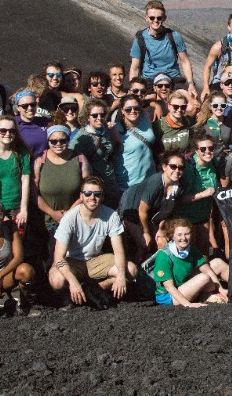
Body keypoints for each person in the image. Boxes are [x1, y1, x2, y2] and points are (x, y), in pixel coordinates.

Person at [49, 176, 136, 307]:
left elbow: (118, 250)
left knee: (131, 270)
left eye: (97, 194)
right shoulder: (70, 218)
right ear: (81, 196)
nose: (92, 197)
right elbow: (58, 257)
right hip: (72, 260)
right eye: (88, 193)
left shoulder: (111, 215)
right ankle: (71, 295)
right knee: (57, 280)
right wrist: (73, 282)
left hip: (96, 260)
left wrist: (121, 276)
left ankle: (96, 288)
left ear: (102, 197)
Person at [146, 218, 229, 307]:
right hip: (169, 297)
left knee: (217, 263)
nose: (183, 238)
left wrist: (220, 288)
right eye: (179, 235)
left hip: (185, 284)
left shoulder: (191, 248)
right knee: (204, 278)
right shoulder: (164, 255)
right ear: (172, 236)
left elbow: (207, 270)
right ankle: (204, 295)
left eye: (187, 234)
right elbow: (169, 287)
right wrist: (188, 304)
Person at [129, 0, 198, 100]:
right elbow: (134, 67)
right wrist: (133, 89)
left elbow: (185, 61)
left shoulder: (174, 36)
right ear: (146, 18)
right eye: (152, 17)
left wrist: (191, 84)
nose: (155, 20)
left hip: (173, 80)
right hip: (149, 81)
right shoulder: (140, 39)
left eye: (159, 18)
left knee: (191, 107)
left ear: (164, 18)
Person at [35, 125, 91, 237]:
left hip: (76, 217)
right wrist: (52, 213)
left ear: (68, 140)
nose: (58, 144)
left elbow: (88, 189)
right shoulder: (40, 160)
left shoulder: (80, 159)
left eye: (62, 140)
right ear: (48, 141)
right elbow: (33, 193)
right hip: (47, 222)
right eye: (53, 141)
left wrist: (69, 213)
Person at [112, 94, 156, 220]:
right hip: (129, 182)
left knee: (148, 218)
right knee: (130, 220)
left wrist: (156, 104)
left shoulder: (145, 118)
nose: (133, 111)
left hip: (149, 179)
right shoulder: (117, 129)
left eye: (136, 108)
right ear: (122, 111)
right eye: (128, 109)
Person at [177, 131, 221, 253]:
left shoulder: (214, 164)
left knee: (203, 254)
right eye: (203, 149)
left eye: (211, 148)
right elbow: (179, 199)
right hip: (186, 219)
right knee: (188, 254)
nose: (207, 151)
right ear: (196, 151)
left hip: (203, 216)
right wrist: (203, 194)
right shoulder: (188, 168)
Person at [71, 100, 120, 207]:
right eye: (95, 115)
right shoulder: (81, 137)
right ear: (88, 117)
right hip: (94, 187)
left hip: (111, 183)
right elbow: (72, 161)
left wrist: (114, 130)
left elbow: (116, 146)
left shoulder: (106, 130)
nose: (99, 118)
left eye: (102, 115)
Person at [136, 154, 186, 256]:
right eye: (173, 166)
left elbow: (166, 210)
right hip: (133, 212)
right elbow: (142, 210)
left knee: (162, 240)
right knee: (146, 242)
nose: (177, 170)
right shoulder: (156, 182)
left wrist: (160, 229)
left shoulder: (177, 185)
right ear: (164, 167)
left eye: (180, 167)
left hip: (152, 214)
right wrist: (146, 232)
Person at [152, 90, 195, 162]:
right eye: (175, 106)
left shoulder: (189, 121)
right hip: (165, 165)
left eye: (183, 107)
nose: (179, 109)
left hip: (184, 165)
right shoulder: (158, 125)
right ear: (169, 106)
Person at [10, 89, 50, 159]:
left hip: (45, 165)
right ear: (17, 107)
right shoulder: (13, 125)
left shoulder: (45, 122)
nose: (30, 108)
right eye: (24, 106)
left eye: (33, 104)